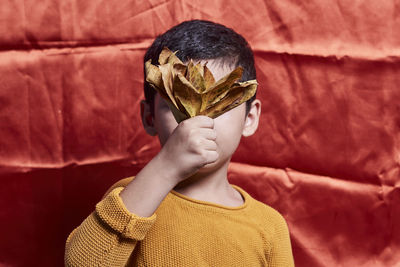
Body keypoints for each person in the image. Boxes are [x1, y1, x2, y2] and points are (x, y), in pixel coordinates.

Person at [64, 19, 294, 266]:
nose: (199, 118)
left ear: (249, 118)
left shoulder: (269, 226)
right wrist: (165, 166)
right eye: (179, 102)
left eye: (221, 101)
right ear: (149, 117)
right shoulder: (134, 197)